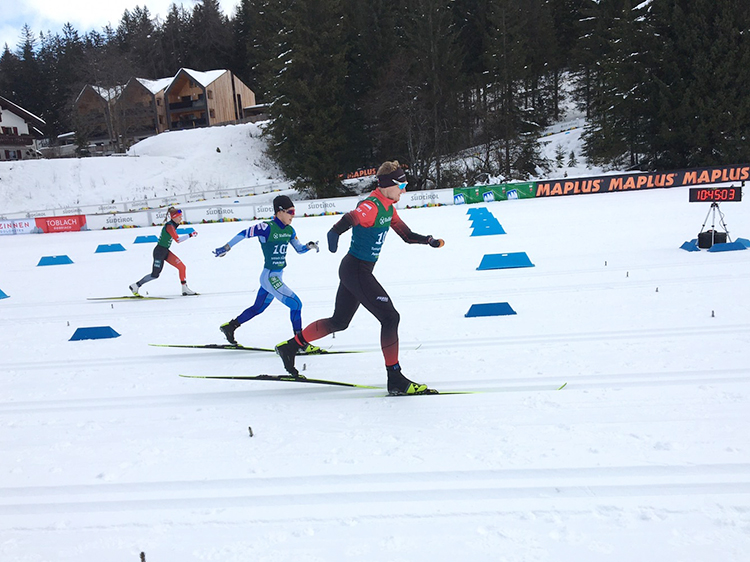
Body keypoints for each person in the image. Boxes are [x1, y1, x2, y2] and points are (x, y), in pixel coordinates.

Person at [275, 161, 445, 395]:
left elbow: (406, 235)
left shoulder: (388, 207)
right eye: (402, 185)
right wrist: (334, 233)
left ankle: (291, 347)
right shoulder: (372, 205)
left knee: (339, 322)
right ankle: (395, 377)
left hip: (355, 270)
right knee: (390, 317)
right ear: (388, 185)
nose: (404, 190)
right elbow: (352, 217)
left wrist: (427, 240)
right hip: (356, 270)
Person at [214, 195, 320, 348]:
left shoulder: (290, 230)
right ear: (280, 211)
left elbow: (299, 249)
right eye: (290, 212)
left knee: (258, 308)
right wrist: (226, 248)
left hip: (275, 277)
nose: (293, 215)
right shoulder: (266, 227)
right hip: (269, 276)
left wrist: (308, 247)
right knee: (296, 305)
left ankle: (230, 327)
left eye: (294, 211)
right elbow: (243, 233)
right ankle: (300, 343)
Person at [130, 206, 198, 296]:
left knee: (182, 267)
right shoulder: (170, 226)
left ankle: (184, 288)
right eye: (179, 217)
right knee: (155, 275)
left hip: (165, 251)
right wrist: (190, 235)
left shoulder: (173, 225)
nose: (181, 219)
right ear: (174, 217)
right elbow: (178, 240)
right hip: (159, 252)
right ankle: (136, 286)